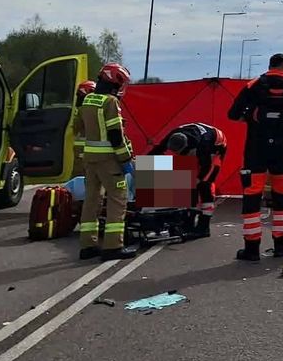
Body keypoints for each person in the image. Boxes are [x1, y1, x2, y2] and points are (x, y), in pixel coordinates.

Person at [228, 53, 283, 261]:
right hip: (281, 150)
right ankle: (281, 245)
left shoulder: (253, 85)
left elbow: (233, 114)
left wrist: (249, 116)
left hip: (256, 148)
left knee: (252, 195)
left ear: (269, 65)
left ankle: (251, 248)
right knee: (282, 195)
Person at [77, 63, 137, 261]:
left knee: (91, 200)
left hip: (90, 160)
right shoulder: (110, 102)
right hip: (108, 160)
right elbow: (115, 136)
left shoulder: (87, 100)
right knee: (117, 199)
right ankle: (113, 247)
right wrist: (126, 159)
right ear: (115, 81)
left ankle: (88, 245)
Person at [149, 122, 228, 238]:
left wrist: (197, 180)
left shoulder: (204, 145)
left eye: (183, 152)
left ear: (188, 147)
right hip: (199, 143)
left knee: (204, 185)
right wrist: (142, 165)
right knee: (188, 183)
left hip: (216, 148)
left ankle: (204, 227)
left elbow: (206, 167)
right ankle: (188, 220)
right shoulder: (172, 136)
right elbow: (158, 150)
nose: (180, 155)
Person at [71, 80, 96, 180]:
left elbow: (75, 129)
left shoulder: (82, 110)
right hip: (89, 149)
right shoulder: (97, 109)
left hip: (82, 149)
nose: (78, 98)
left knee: (79, 176)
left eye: (80, 95)